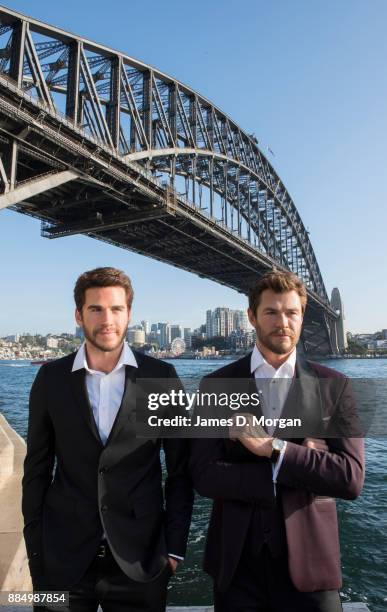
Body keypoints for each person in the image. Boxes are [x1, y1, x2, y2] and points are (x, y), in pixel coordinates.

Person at [190, 270, 364, 612]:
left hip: (312, 567)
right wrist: (301, 464)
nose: (282, 322)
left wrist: (274, 449)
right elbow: (203, 474)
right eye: (271, 312)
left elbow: (350, 477)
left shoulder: (336, 385)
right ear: (252, 316)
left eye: (291, 312)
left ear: (302, 316)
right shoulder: (215, 386)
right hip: (237, 568)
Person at [22, 267, 193, 612]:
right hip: (61, 562)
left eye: (116, 309)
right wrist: (37, 554)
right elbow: (37, 470)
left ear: (129, 314)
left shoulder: (161, 377)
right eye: (95, 309)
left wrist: (173, 549)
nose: (107, 319)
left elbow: (181, 471)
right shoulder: (50, 378)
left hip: (141, 563)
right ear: (78, 315)